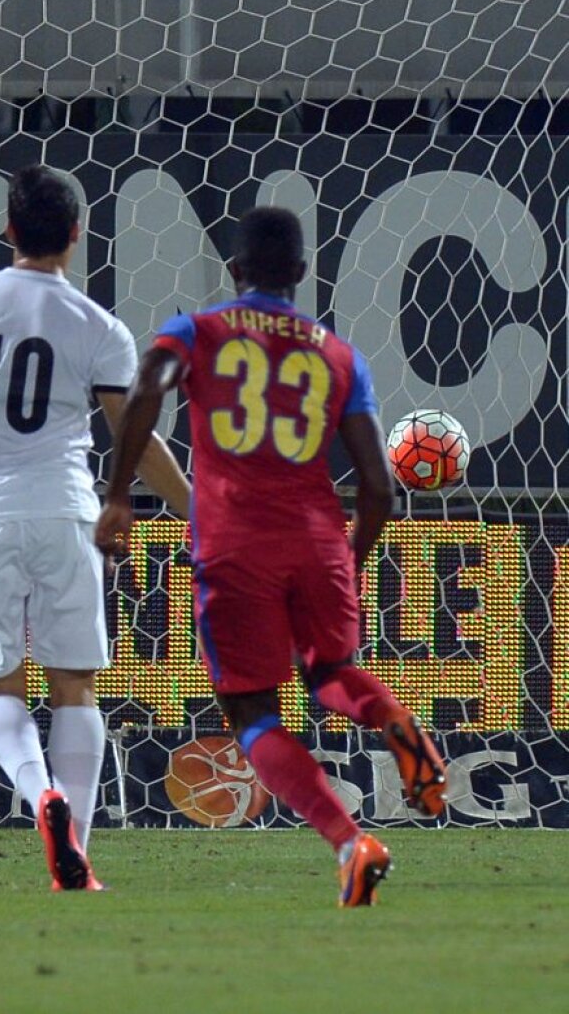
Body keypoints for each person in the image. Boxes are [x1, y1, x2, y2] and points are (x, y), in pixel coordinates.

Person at [95, 205, 447, 907]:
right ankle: (399, 724)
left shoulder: (198, 331)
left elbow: (145, 390)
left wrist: (119, 494)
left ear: (234, 271)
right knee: (334, 671)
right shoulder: (339, 355)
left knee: (252, 709)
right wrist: (347, 556)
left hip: (236, 546)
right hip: (318, 540)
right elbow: (378, 487)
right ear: (302, 274)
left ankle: (352, 842)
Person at [0, 164, 190, 891]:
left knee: (0, 689)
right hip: (65, 511)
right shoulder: (99, 327)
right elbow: (136, 442)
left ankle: (38, 794)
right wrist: (198, 511)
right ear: (78, 236)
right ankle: (76, 853)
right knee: (76, 685)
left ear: (8, 229)